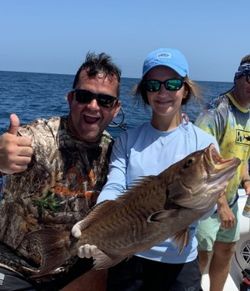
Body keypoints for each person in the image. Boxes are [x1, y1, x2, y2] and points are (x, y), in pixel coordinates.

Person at [73, 48, 220, 291]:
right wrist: (92, 224)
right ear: (144, 92)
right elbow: (115, 186)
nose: (163, 92)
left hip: (180, 264)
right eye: (153, 85)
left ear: (185, 89)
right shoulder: (127, 141)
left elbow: (203, 213)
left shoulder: (203, 145)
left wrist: (209, 198)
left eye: (172, 83)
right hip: (128, 257)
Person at [0, 52, 121, 290]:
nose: (93, 106)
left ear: (116, 109)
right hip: (12, 267)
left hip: (74, 269)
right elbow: (12, 151)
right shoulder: (39, 138)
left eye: (105, 101)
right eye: (84, 96)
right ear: (70, 99)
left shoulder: (115, 153)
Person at [195, 55, 250, 291]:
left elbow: (242, 156)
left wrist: (246, 179)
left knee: (227, 250)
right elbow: (201, 166)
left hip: (232, 198)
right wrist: (220, 204)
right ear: (237, 77)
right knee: (202, 254)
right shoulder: (216, 112)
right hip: (206, 202)